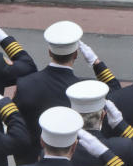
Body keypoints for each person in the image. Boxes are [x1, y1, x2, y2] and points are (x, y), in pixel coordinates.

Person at [14, 22, 117, 151]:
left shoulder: (25, 83)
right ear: (75, 55)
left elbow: (16, 122)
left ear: (50, 52)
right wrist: (96, 63)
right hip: (70, 156)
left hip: (30, 157)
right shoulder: (82, 90)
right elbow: (115, 93)